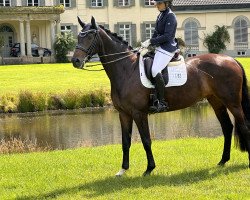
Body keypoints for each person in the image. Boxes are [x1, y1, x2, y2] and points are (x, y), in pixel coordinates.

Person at [141, 0, 177, 112]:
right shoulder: (160, 15)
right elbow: (156, 33)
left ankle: (161, 102)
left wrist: (151, 41)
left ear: (166, 3)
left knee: (155, 69)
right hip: (159, 48)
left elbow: (167, 36)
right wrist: (149, 44)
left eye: (159, 4)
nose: (157, 6)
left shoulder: (171, 16)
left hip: (167, 48)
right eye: (156, 4)